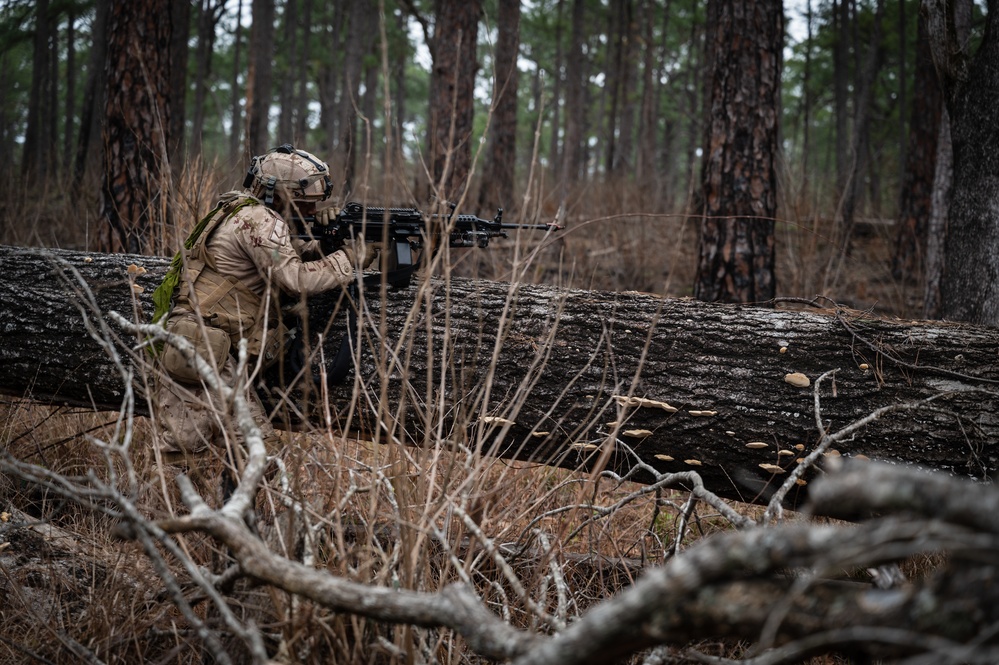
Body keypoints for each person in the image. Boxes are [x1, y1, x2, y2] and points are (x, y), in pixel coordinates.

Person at [152, 144, 379, 473]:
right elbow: (294, 279)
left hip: (203, 344)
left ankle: (225, 518)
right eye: (307, 202)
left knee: (247, 457)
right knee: (192, 457)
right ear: (280, 195)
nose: (313, 210)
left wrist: (329, 243)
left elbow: (286, 255)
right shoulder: (260, 221)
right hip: (203, 347)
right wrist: (348, 259)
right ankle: (160, 518)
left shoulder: (241, 210)